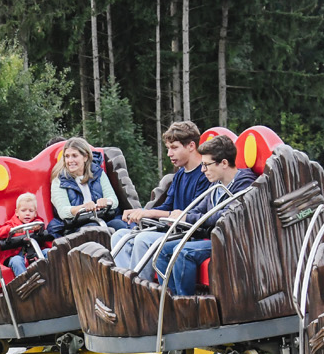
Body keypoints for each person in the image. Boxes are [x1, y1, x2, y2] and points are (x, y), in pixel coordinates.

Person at [150, 133, 255, 300]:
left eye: (206, 165)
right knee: (163, 250)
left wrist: (189, 218)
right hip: (214, 237)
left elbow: (227, 215)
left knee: (183, 252)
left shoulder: (245, 183)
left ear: (224, 163)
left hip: (231, 241)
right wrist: (183, 215)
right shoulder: (217, 185)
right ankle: (169, 301)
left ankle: (186, 305)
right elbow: (198, 209)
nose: (203, 170)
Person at [115, 121, 210, 274]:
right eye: (168, 148)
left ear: (191, 146)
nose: (169, 154)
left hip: (190, 235)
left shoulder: (205, 174)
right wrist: (139, 212)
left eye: (174, 148)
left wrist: (148, 213)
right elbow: (167, 207)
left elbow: (189, 214)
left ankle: (140, 291)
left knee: (142, 240)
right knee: (119, 236)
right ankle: (125, 286)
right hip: (172, 230)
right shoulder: (179, 175)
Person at [47, 137, 133, 238]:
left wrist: (105, 202)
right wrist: (82, 208)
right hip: (77, 225)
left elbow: (113, 200)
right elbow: (63, 211)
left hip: (103, 217)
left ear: (85, 157)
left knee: (120, 226)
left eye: (74, 156)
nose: (70, 160)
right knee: (94, 230)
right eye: (67, 156)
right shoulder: (59, 180)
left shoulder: (98, 173)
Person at [0, 192, 49, 277]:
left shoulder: (37, 223)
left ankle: (52, 276)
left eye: (31, 211)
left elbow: (42, 230)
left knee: (48, 252)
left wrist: (38, 228)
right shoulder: (12, 224)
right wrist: (11, 230)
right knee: (16, 261)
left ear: (35, 213)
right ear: (17, 212)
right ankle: (25, 282)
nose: (27, 213)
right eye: (23, 210)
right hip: (17, 255)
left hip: (35, 253)